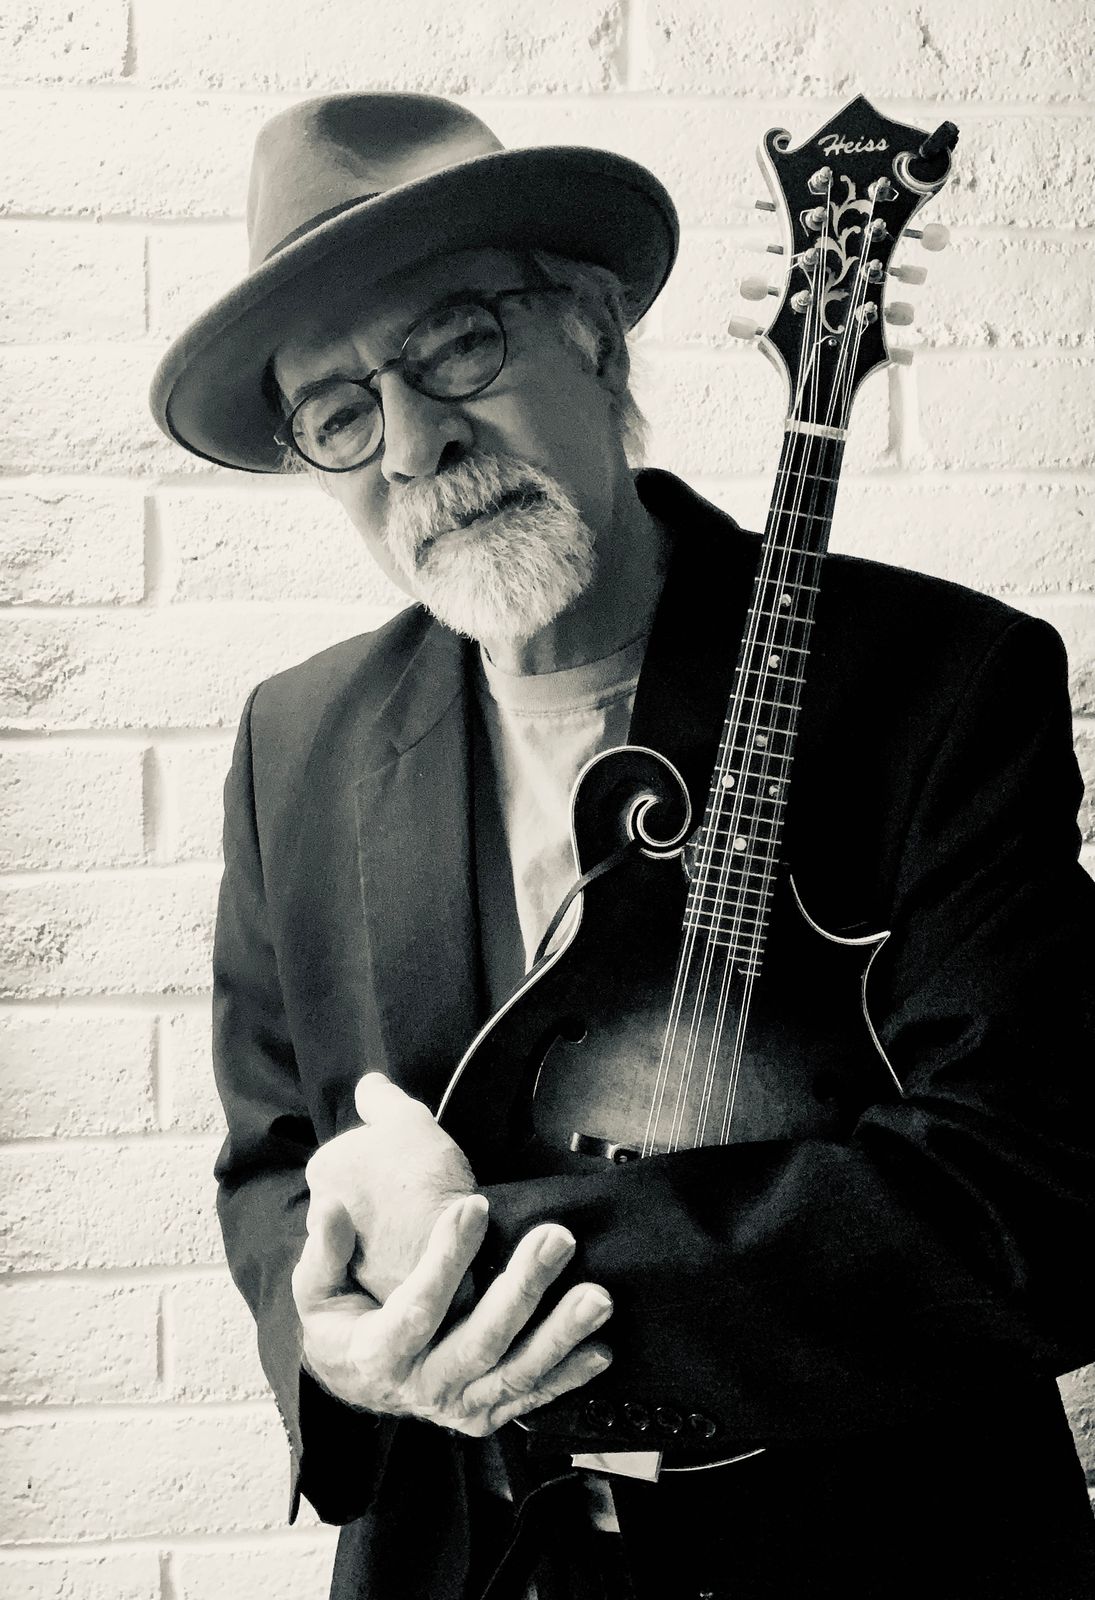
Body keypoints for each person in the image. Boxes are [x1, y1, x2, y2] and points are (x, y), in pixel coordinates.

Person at [150, 93, 1095, 1600]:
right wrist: (332, 1347)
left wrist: (479, 1266)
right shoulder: (294, 741)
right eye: (339, 414)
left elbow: (1029, 1189)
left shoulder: (943, 685)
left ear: (593, 331)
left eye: (458, 345)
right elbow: (271, 1168)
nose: (416, 446)